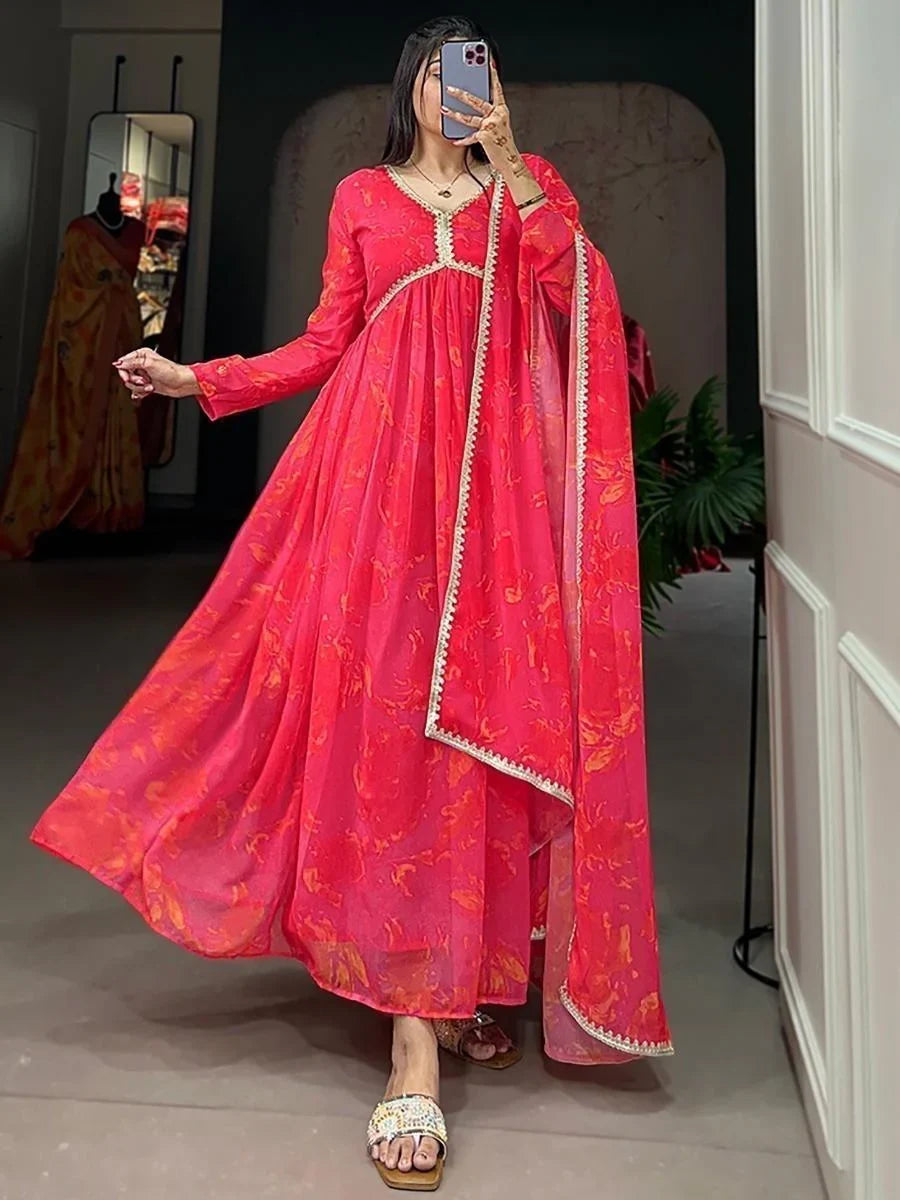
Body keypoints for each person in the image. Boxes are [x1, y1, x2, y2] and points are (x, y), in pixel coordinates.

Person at [29, 15, 672, 1191]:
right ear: (408, 86)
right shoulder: (362, 198)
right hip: (374, 501)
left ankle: (465, 972)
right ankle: (413, 1040)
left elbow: (575, 288)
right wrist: (197, 378)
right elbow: (327, 343)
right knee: (389, 737)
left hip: (496, 513)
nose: (457, 87)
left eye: (477, 67)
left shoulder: (525, 186)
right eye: (441, 69)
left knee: (481, 727)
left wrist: (514, 164)